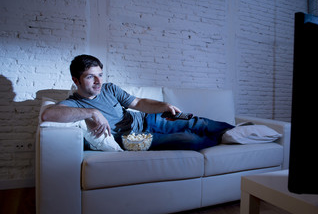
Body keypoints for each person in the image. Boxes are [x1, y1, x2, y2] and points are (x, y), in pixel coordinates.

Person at [42, 54, 234, 150]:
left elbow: (139, 103)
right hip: (128, 139)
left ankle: (239, 132)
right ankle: (229, 140)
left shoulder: (109, 88)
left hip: (145, 120)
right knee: (189, 139)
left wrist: (163, 106)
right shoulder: (74, 103)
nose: (99, 81)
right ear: (76, 81)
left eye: (100, 75)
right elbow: (47, 114)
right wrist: (93, 113)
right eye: (91, 77)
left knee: (195, 122)